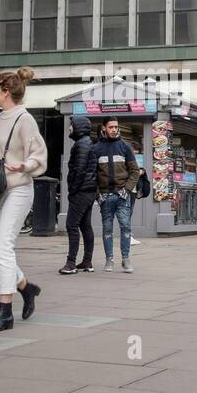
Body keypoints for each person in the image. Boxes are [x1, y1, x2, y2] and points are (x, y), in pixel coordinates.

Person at [0, 68, 48, 329]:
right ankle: (26, 288)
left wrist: (24, 165)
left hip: (19, 189)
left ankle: (5, 311)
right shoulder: (2, 117)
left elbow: (40, 154)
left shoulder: (25, 119)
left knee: (3, 246)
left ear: (6, 92)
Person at [90, 117, 140, 273]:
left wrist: (127, 189)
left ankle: (126, 260)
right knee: (107, 229)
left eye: (116, 127)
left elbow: (135, 171)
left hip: (122, 195)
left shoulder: (125, 147)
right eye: (111, 127)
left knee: (126, 227)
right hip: (105, 196)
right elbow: (92, 174)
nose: (114, 129)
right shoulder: (96, 148)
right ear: (104, 128)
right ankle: (109, 260)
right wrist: (98, 194)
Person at [60, 115, 97, 274]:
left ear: (78, 127)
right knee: (85, 226)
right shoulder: (86, 143)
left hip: (81, 191)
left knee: (71, 225)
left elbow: (79, 170)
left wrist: (73, 189)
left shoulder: (82, 144)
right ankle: (87, 261)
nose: (69, 128)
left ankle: (71, 263)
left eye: (72, 125)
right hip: (88, 191)